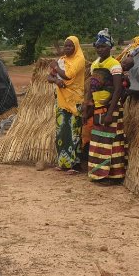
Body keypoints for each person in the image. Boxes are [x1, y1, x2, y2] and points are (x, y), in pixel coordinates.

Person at [85, 29, 126, 183]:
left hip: (111, 109)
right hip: (97, 108)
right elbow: (91, 87)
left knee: (112, 142)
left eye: (103, 46)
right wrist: (88, 104)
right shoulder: (95, 64)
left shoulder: (114, 64)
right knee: (99, 142)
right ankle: (99, 173)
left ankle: (115, 176)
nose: (100, 49)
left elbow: (118, 89)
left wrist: (110, 112)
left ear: (110, 47)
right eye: (98, 46)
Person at [48, 36, 85, 173]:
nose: (67, 48)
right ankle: (63, 162)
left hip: (75, 100)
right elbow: (49, 77)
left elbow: (68, 75)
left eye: (70, 46)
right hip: (62, 101)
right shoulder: (62, 60)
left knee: (74, 131)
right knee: (62, 131)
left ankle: (75, 164)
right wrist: (55, 81)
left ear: (76, 47)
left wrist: (55, 67)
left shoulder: (79, 59)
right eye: (66, 46)